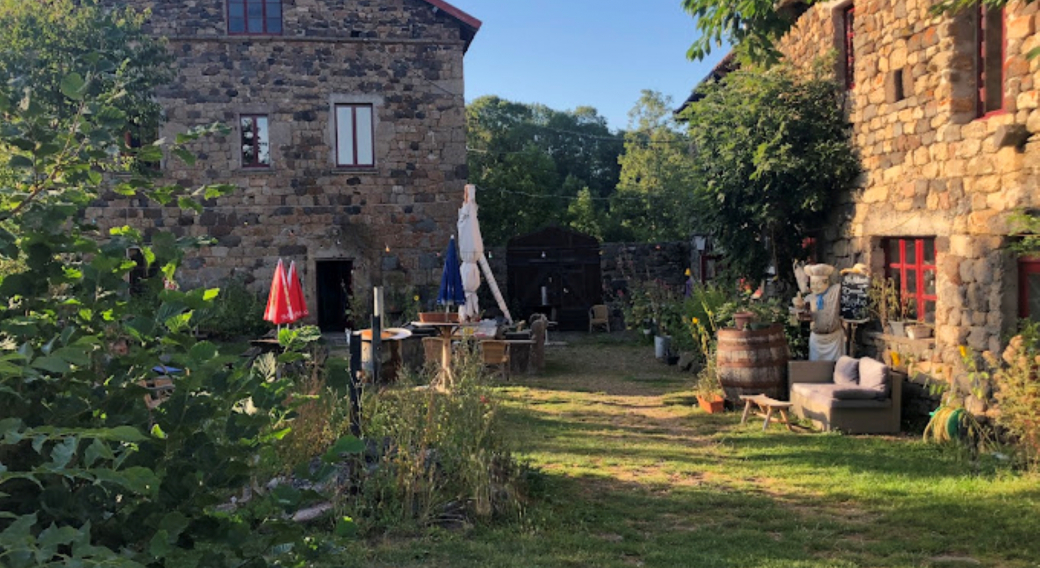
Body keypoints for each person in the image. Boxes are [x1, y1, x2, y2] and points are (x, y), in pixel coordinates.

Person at [802, 264, 843, 361]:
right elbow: (805, 315)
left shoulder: (835, 291)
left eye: (818, 284)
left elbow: (848, 284)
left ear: (827, 283)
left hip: (833, 339)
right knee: (817, 368)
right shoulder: (809, 298)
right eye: (813, 284)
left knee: (836, 366)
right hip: (817, 340)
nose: (815, 287)